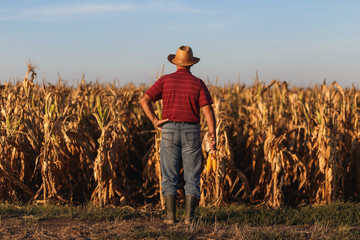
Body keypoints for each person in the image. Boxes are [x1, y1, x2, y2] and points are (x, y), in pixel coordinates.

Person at [140, 46, 216, 224]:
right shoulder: (198, 83)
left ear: (175, 62)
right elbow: (208, 111)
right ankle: (189, 218)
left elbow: (144, 100)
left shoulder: (165, 80)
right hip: (191, 130)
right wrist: (213, 137)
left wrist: (154, 120)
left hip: (169, 129)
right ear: (191, 64)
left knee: (169, 174)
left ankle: (170, 217)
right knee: (192, 175)